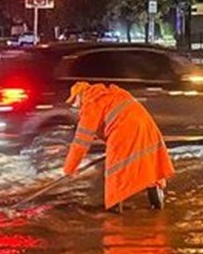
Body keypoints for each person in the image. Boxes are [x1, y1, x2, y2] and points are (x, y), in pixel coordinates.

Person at [63, 81, 173, 211]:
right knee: (148, 162)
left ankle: (114, 211)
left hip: (124, 130)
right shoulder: (111, 94)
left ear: (80, 96)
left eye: (74, 101)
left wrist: (70, 168)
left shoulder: (91, 103)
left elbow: (81, 141)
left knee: (116, 170)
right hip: (146, 125)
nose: (75, 106)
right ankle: (157, 204)